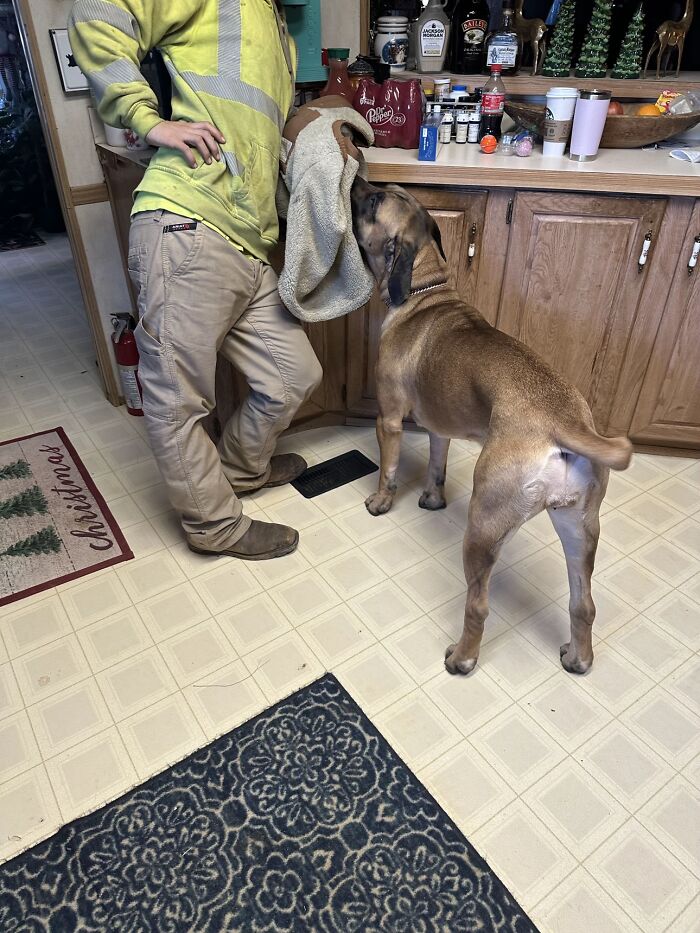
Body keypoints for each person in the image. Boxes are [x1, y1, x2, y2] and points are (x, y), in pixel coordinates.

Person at [68, 0, 322, 560]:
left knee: (294, 375)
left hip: (246, 238)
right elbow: (94, 12)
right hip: (188, 222)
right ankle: (213, 526)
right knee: (178, 399)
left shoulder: (280, 28)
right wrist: (148, 119)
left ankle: (240, 470)